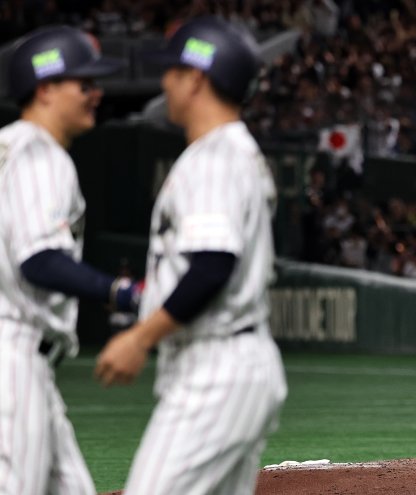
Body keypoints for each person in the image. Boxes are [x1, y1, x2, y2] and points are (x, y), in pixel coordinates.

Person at [93, 16, 287, 494]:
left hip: (215, 371)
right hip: (233, 361)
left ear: (196, 79)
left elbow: (212, 266)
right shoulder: (233, 152)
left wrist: (139, 338)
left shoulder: (215, 158)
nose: (165, 81)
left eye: (173, 71)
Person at [0, 26, 133, 494]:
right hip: (13, 361)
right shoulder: (41, 157)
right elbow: (39, 260)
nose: (96, 93)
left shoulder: (8, 148)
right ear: (46, 88)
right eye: (84, 83)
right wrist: (117, 291)